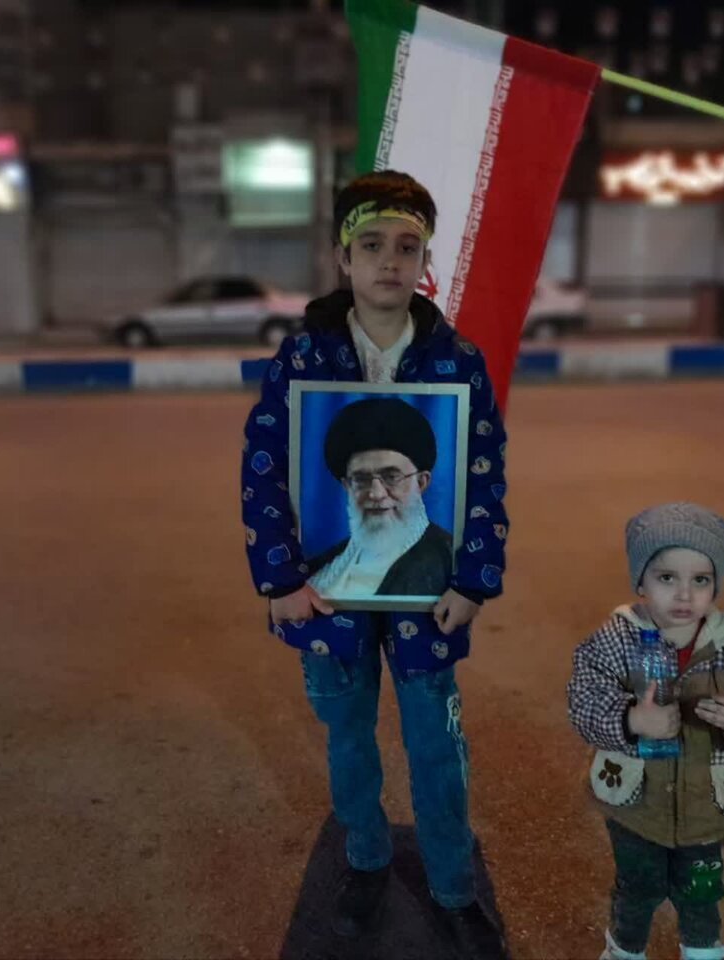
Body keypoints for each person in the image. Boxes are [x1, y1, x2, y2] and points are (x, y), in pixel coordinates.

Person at [241, 170, 510, 957]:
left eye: (406, 247)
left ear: (425, 261)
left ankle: (453, 886)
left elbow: (485, 476)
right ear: (343, 257)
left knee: (435, 743)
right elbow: (264, 467)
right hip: (327, 597)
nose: (389, 260)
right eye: (371, 245)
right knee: (348, 735)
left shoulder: (458, 361)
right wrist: (282, 580)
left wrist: (473, 579)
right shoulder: (302, 357)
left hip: (433, 599)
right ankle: (363, 860)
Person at [567, 503, 724, 960]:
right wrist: (632, 720)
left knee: (702, 891)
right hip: (635, 805)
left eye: (701, 580)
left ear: (716, 585)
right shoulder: (615, 639)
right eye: (667, 577)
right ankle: (625, 950)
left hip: (706, 807)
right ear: (641, 582)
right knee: (637, 887)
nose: (684, 594)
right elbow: (582, 702)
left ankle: (703, 950)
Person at [308, 396, 454, 599]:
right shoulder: (320, 570)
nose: (376, 494)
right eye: (361, 479)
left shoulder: (453, 563)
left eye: (391, 477)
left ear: (421, 482)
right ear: (347, 486)